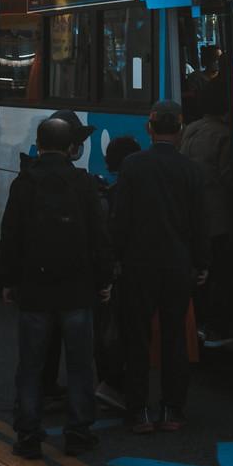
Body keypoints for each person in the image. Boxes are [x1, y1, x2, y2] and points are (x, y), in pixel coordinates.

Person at [0, 114, 113, 460]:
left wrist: (9, 281)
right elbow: (99, 236)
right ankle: (78, 432)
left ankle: (29, 435)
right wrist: (104, 279)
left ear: (39, 143)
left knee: (31, 365)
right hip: (76, 288)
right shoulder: (81, 183)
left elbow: (11, 236)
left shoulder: (25, 183)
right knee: (79, 365)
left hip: (35, 289)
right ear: (70, 147)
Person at [112, 101, 209, 434]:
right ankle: (173, 410)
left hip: (139, 264)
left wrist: (117, 258)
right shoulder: (192, 170)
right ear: (180, 130)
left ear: (149, 129)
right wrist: (201, 262)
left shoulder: (132, 166)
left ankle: (138, 410)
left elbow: (120, 219)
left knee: (137, 339)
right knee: (174, 338)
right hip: (178, 265)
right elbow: (200, 223)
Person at [181, 85, 233, 345]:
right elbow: (229, 178)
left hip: (193, 216)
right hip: (218, 219)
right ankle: (217, 325)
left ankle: (199, 324)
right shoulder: (225, 136)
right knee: (220, 273)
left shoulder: (190, 130)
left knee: (202, 276)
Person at [93, 134, 142, 411]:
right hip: (126, 274)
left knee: (105, 330)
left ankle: (107, 381)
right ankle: (115, 384)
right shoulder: (134, 194)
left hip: (109, 274)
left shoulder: (109, 194)